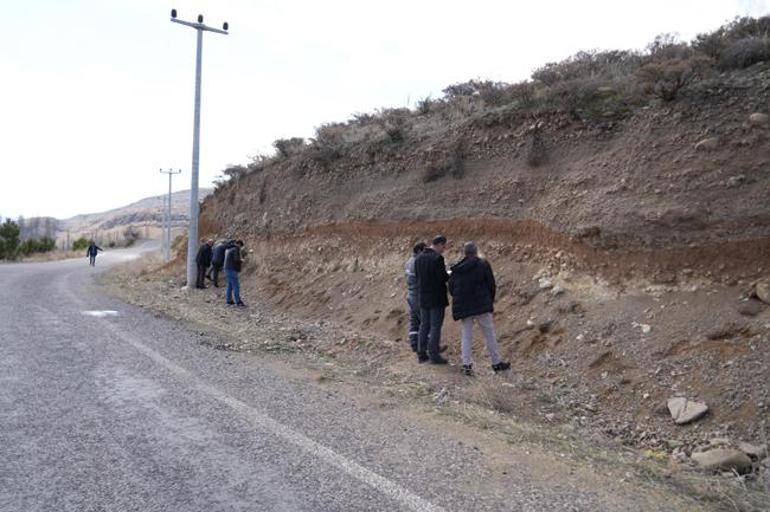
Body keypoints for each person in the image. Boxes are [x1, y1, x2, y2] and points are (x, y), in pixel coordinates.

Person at [448, 242, 511, 376]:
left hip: (464, 307)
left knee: (466, 335)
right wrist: (489, 299)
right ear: (476, 251)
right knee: (489, 334)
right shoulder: (483, 264)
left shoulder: (457, 269)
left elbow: (452, 288)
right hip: (482, 305)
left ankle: (467, 365)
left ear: (465, 253)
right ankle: (496, 363)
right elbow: (491, 284)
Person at [414, 235, 450, 364]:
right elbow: (442, 278)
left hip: (423, 296)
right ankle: (434, 355)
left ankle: (421, 353)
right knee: (435, 326)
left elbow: (417, 278)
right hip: (436, 297)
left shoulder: (418, 259)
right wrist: (449, 274)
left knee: (424, 325)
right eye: (444, 246)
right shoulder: (437, 258)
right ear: (439, 244)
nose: (444, 249)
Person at [404, 242, 426, 352]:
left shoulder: (408, 262)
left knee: (414, 321)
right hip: (418, 295)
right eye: (424, 251)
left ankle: (414, 344)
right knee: (425, 322)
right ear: (419, 251)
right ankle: (429, 347)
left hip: (411, 295)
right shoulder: (417, 262)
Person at [224, 239, 245, 306]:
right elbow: (236, 259)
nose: (240, 247)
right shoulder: (235, 249)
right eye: (241, 246)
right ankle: (238, 301)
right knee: (236, 286)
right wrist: (241, 260)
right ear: (239, 244)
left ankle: (229, 300)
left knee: (230, 286)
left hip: (228, 269)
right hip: (232, 269)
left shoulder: (231, 249)